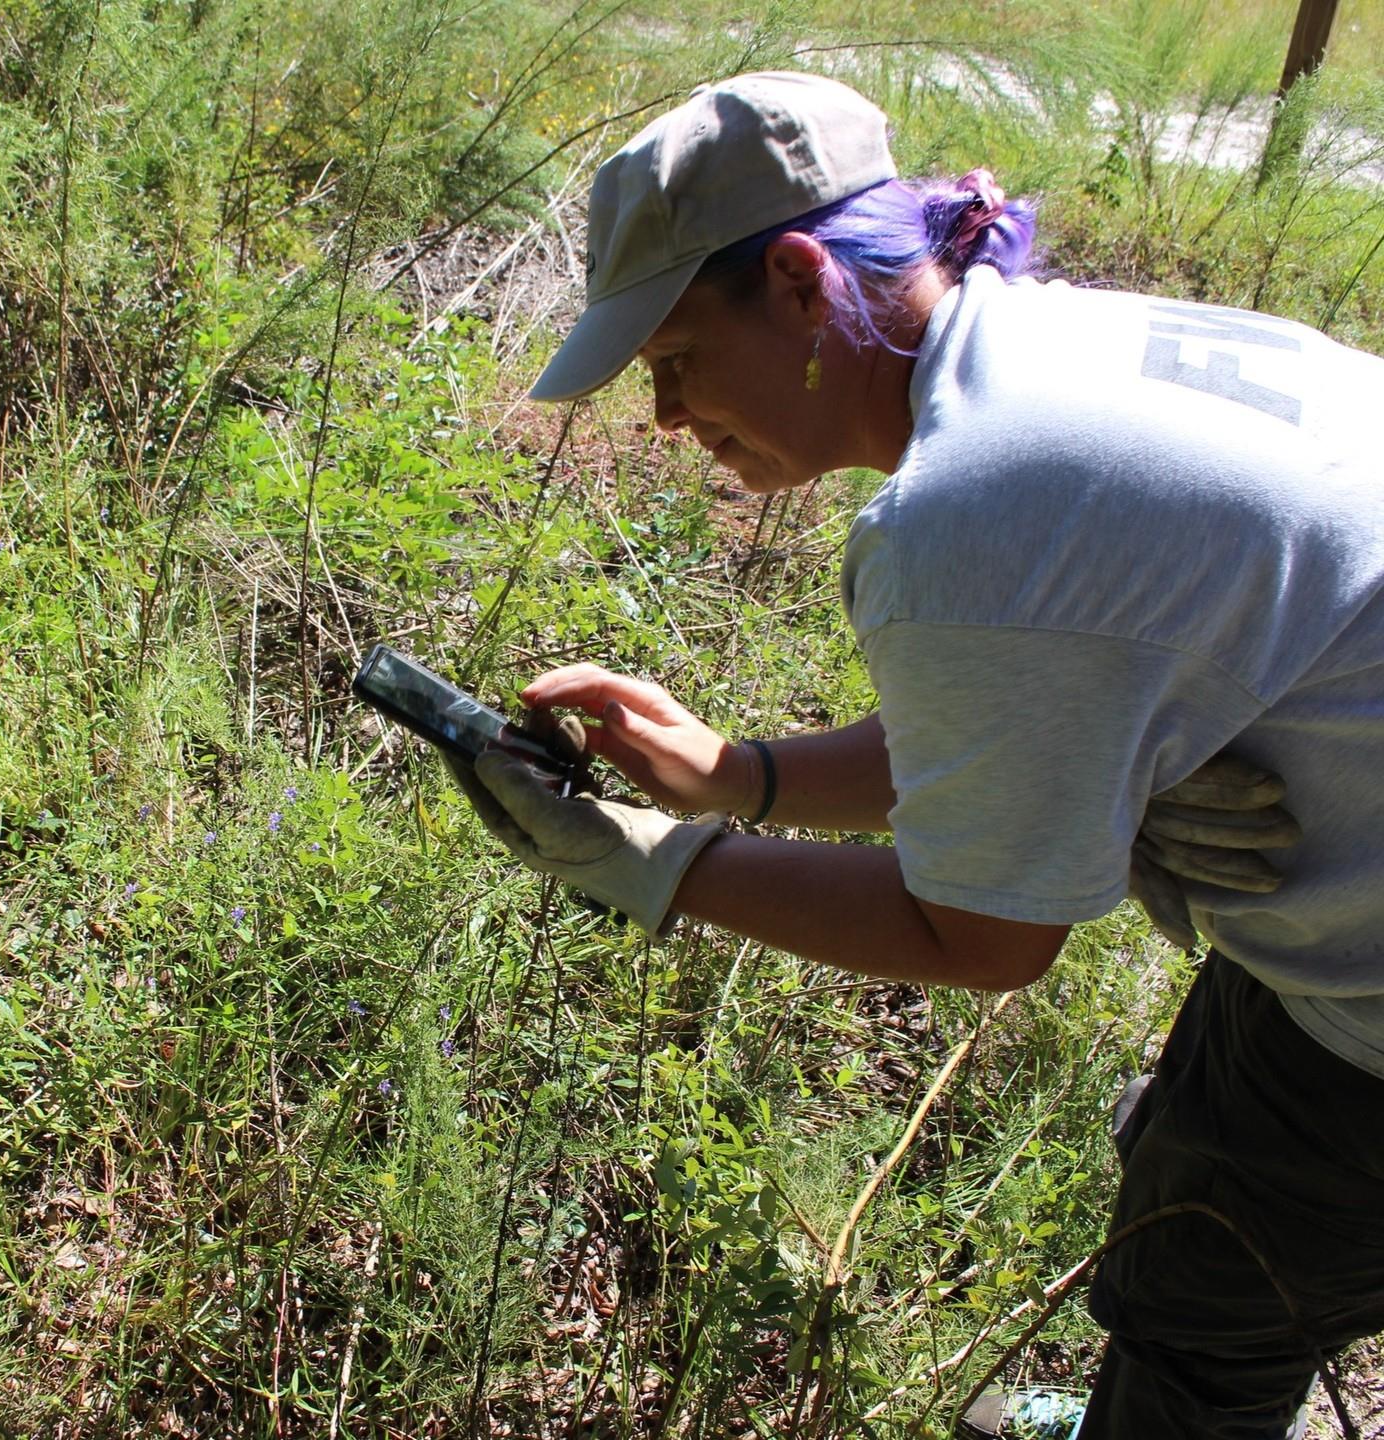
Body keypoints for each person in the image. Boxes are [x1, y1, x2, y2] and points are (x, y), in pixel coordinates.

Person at [447, 71, 1384, 1439]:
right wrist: (743, 776)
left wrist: (654, 864)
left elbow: (983, 940)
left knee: (1209, 1307)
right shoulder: (1048, 355)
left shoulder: (972, 516)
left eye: (674, 360)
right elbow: (1033, 697)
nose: (662, 417)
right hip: (1341, 921)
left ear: (795, 276)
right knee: (1188, 1170)